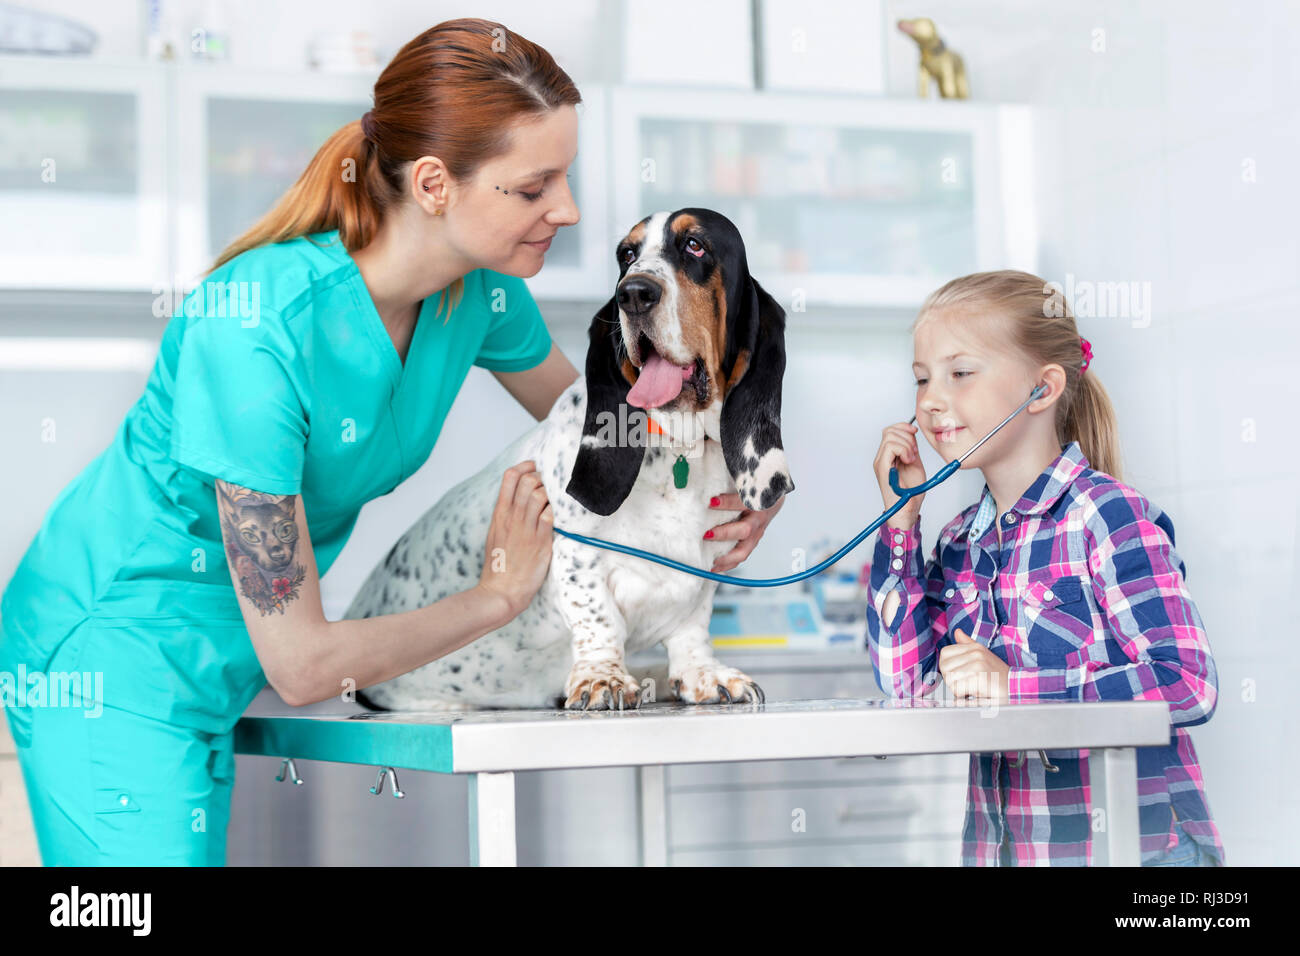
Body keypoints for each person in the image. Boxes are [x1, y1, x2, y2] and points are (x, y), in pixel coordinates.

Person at [0, 17, 777, 867]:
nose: (569, 209)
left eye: (567, 176)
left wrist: (737, 492)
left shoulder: (479, 296)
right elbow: (302, 666)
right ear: (437, 184)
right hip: (113, 655)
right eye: (534, 187)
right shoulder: (254, 333)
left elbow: (608, 445)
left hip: (235, 662)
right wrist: (495, 596)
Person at [865, 270, 1224, 866]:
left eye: (960, 373)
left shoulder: (1107, 517)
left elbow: (1188, 683)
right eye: (923, 379)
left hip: (1139, 856)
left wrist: (1014, 687)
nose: (929, 400)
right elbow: (906, 686)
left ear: (1042, 389)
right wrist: (901, 522)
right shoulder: (958, 542)